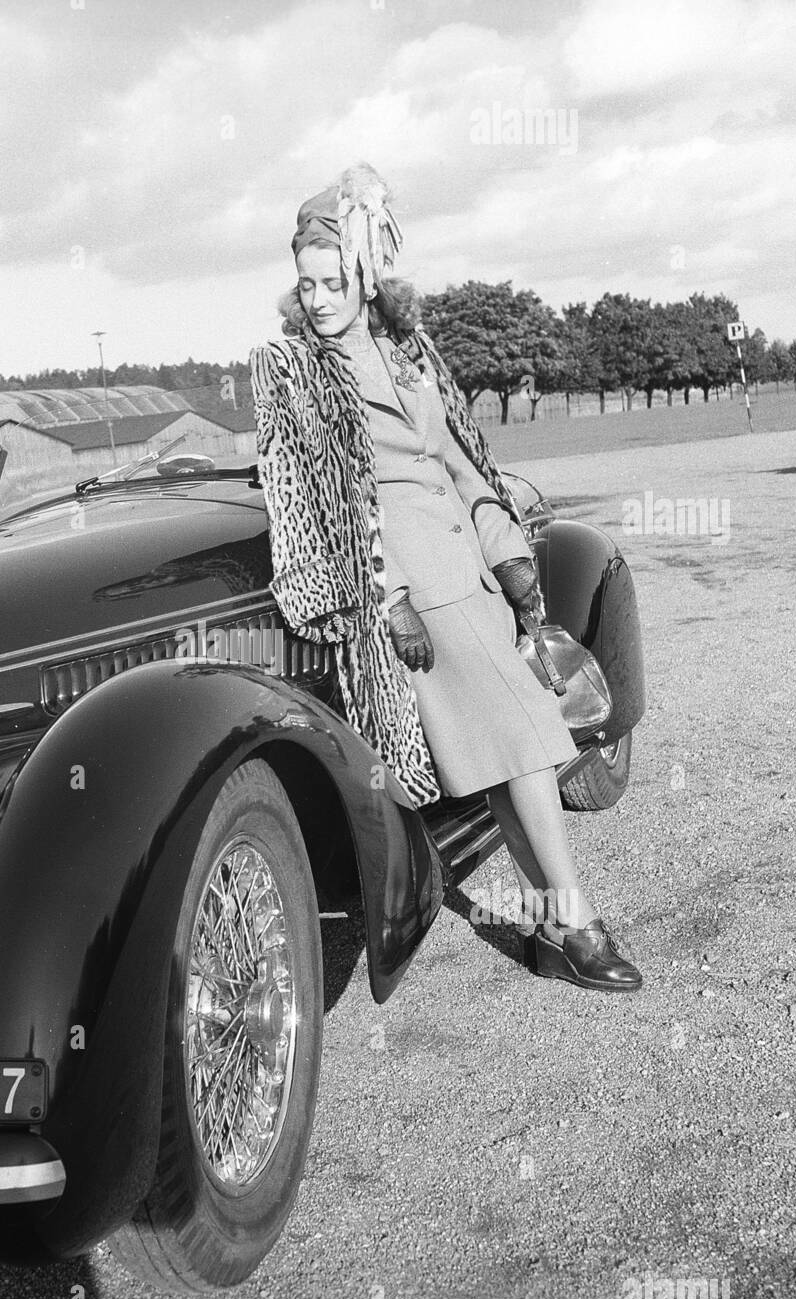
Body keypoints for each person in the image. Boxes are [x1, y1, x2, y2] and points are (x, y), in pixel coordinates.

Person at [249, 163, 641, 992]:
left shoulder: (408, 348)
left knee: (506, 752)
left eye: (332, 282)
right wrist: (384, 599)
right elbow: (306, 503)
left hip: (470, 568)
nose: (316, 299)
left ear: (363, 277)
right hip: (412, 588)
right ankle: (574, 922)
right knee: (523, 742)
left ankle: (551, 923)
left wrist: (515, 567)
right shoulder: (291, 371)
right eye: (305, 284)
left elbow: (463, 463)